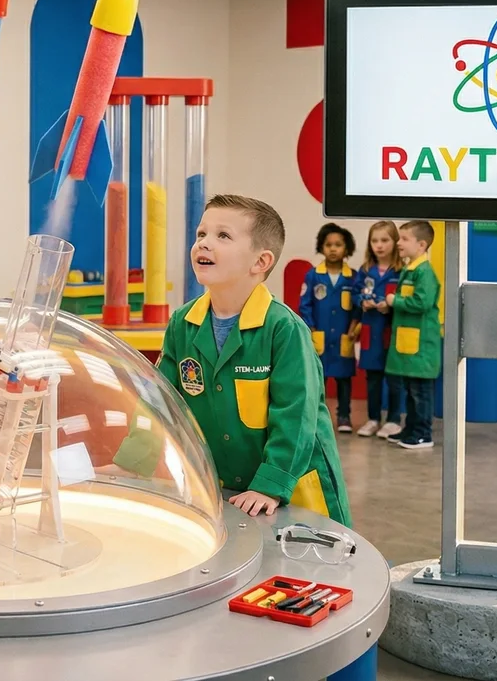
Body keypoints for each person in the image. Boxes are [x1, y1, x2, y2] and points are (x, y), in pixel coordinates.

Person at [113, 195, 351, 525]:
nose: (204, 244)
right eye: (201, 234)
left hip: (293, 489)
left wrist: (270, 485)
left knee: (311, 568)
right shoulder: (182, 324)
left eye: (223, 236)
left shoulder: (284, 329)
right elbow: (160, 402)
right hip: (226, 492)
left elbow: (297, 416)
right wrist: (132, 462)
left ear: (260, 261)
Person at [297, 223, 359, 433]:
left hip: (343, 337)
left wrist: (354, 328)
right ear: (321, 247)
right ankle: (316, 416)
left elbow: (357, 307)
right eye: (328, 244)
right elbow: (305, 305)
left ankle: (344, 417)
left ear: (347, 248)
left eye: (338, 245)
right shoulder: (313, 275)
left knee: (344, 380)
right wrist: (311, 330)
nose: (333, 249)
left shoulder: (353, 277)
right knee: (318, 379)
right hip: (320, 336)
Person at [385, 220, 441, 450]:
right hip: (408, 346)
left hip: (421, 348)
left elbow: (423, 302)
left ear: (421, 245)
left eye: (404, 239)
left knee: (421, 393)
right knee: (410, 391)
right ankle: (410, 428)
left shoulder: (424, 272)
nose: (399, 242)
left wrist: (394, 300)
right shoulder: (410, 269)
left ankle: (423, 433)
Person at [354, 220, 402, 439]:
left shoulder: (402, 271)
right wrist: (362, 302)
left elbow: (405, 298)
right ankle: (373, 418)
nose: (379, 245)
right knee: (372, 379)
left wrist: (388, 305)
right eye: (375, 241)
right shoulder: (365, 271)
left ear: (395, 242)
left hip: (392, 333)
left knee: (394, 379)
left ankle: (393, 420)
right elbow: (355, 294)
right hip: (370, 333)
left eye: (384, 240)